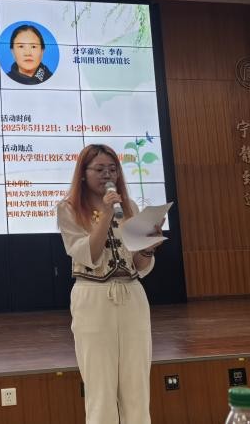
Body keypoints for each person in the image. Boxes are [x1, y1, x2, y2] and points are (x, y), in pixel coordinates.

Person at [57, 143, 163, 424]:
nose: (108, 175)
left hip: (132, 295)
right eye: (100, 169)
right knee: (100, 388)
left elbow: (139, 266)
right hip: (93, 297)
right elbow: (89, 256)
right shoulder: (68, 209)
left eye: (113, 169)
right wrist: (106, 213)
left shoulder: (130, 208)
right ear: (83, 173)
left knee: (137, 386)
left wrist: (148, 247)